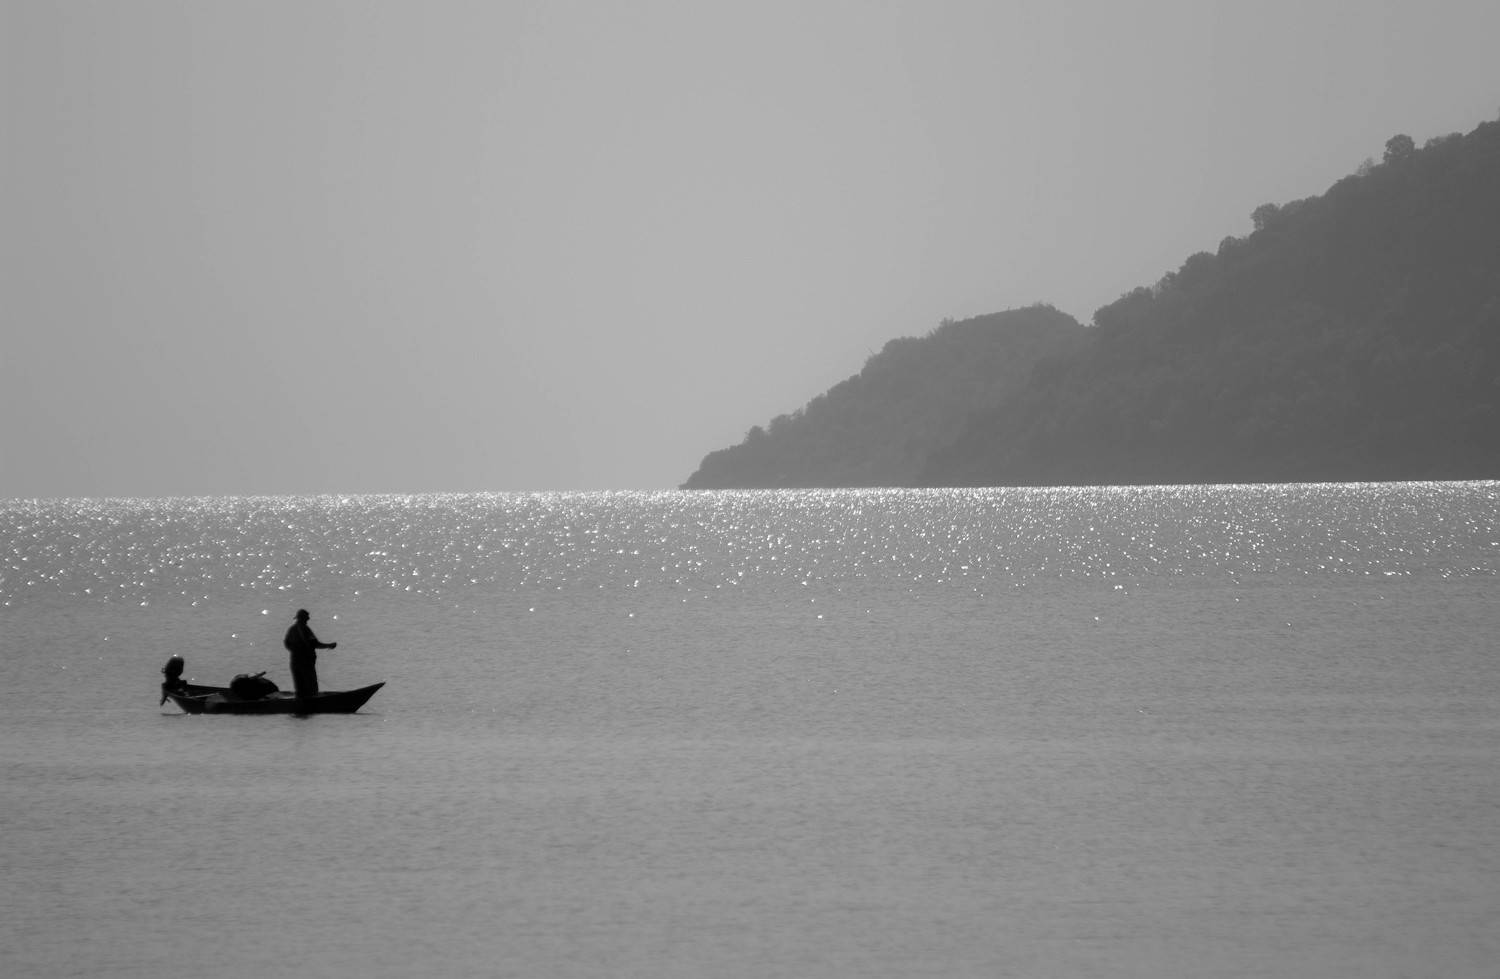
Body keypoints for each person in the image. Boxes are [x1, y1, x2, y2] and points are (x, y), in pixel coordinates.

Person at [284, 609, 336, 699]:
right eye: (306, 618)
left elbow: (286, 643)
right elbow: (315, 644)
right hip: (306, 663)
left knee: (300, 688)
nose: (308, 619)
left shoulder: (292, 629)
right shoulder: (305, 629)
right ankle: (312, 706)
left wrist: (295, 651)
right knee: (311, 687)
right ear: (303, 618)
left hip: (295, 662)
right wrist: (329, 645)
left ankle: (300, 707)